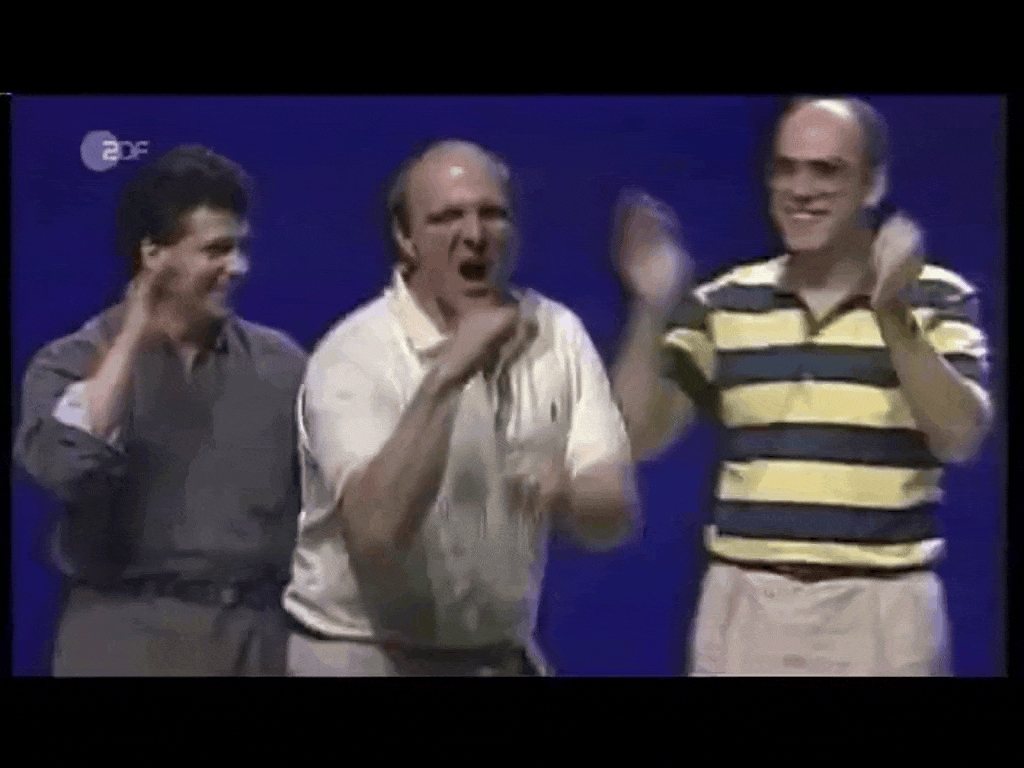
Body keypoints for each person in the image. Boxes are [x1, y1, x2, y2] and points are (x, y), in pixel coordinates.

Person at [611, 97, 993, 676]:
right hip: (746, 607)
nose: (800, 189)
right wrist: (650, 307)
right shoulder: (725, 302)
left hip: (882, 608)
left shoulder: (936, 298)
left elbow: (960, 436)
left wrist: (891, 312)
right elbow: (633, 438)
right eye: (785, 169)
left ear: (872, 184)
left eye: (826, 171)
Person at [283, 139, 638, 676]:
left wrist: (566, 491)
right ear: (405, 238)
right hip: (360, 653)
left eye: (492, 214)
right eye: (447, 217)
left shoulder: (558, 334)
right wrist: (449, 373)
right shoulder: (355, 354)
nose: (474, 235)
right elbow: (375, 535)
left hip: (495, 655)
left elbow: (614, 514)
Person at [14, 145, 308, 676]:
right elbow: (67, 466)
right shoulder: (69, 361)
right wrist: (132, 333)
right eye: (216, 250)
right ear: (153, 253)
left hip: (255, 640)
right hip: (122, 637)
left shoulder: (282, 366)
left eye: (240, 248)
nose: (237, 268)